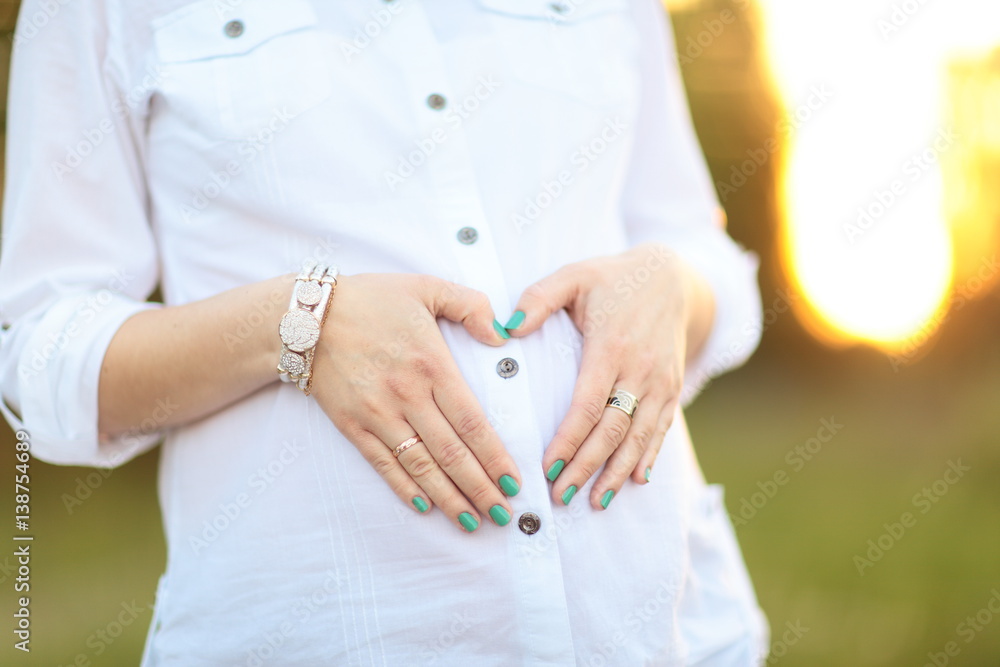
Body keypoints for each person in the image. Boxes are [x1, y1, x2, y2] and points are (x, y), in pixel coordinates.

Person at [0, 0, 768, 664]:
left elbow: (701, 252)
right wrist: (297, 323)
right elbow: (38, 353)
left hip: (661, 634)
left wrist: (673, 289)